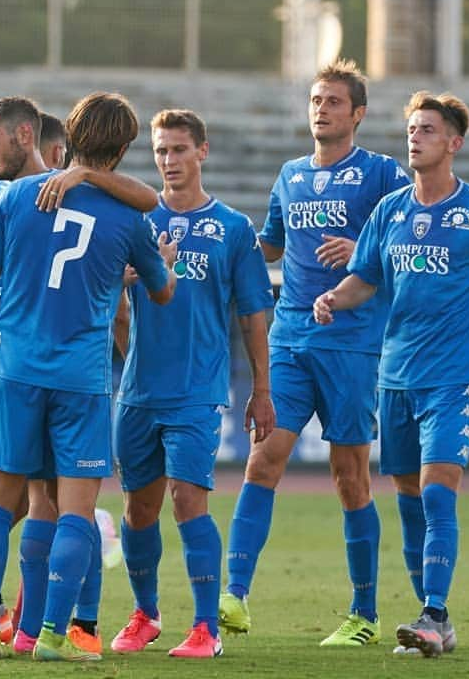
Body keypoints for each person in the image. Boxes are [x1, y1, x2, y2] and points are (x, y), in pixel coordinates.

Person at [0, 96, 159, 656]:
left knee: (29, 497)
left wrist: (6, 317)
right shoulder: (3, 200)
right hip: (32, 370)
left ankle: (41, 625)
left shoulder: (24, 196)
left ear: (38, 139)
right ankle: (24, 622)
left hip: (20, 368)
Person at [313, 91, 469, 657]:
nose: (415, 138)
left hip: (451, 378)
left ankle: (434, 614)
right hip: (394, 377)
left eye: (428, 130)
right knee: (410, 499)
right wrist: (333, 299)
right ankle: (431, 622)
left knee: (439, 494)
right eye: (412, 129)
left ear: (454, 144)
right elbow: (364, 277)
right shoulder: (389, 210)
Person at [219, 58, 411, 647]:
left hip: (353, 343)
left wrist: (361, 247)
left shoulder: (382, 174)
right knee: (262, 458)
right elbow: (271, 245)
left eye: (332, 101)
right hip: (289, 339)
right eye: (314, 99)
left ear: (357, 113)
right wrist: (230, 243)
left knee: (349, 475)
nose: (320, 109)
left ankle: (363, 615)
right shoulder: (289, 175)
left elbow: (413, 237)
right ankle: (235, 595)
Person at [107, 109, 275, 659]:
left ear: (201, 152)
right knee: (138, 511)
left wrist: (262, 389)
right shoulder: (136, 220)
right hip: (137, 393)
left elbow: (252, 315)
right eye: (160, 151)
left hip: (197, 392)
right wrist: (128, 283)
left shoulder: (232, 228)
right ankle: (146, 614)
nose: (169, 161)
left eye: (179, 150)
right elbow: (110, 307)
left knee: (187, 501)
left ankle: (207, 627)